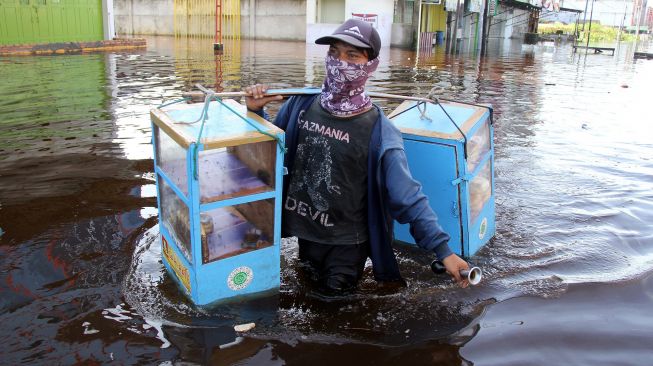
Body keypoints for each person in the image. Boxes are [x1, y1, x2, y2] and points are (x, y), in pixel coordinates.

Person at [244, 19, 470, 293]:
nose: (340, 62)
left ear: (370, 65)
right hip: (305, 230)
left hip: (348, 242)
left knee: (333, 307)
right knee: (306, 290)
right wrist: (256, 112)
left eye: (352, 55)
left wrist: (443, 251)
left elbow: (407, 197)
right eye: (334, 53)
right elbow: (270, 151)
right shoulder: (300, 104)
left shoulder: (380, 131)